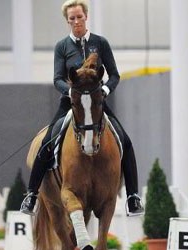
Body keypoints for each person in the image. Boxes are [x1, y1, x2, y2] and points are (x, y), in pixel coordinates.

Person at [20, 0, 144, 217]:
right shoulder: (62, 47)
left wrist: (105, 89)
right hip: (71, 102)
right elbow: (58, 78)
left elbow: (114, 74)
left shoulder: (100, 43)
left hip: (97, 103)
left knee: (125, 141)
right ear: (67, 21)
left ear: (86, 16)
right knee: (48, 141)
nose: (76, 21)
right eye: (72, 18)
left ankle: (133, 196)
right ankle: (31, 194)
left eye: (79, 17)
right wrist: (70, 93)